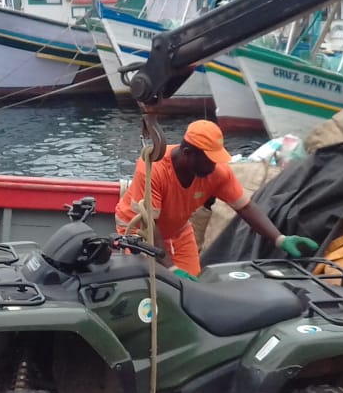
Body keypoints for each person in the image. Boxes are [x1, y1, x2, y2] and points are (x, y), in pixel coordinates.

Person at [114, 119, 317, 277]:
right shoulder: (152, 168)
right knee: (154, 286)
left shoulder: (216, 172)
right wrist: (170, 267)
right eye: (209, 160)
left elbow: (245, 208)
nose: (213, 166)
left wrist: (279, 239)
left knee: (193, 286)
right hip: (139, 233)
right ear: (187, 153)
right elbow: (150, 226)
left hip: (178, 231)